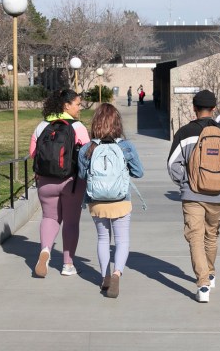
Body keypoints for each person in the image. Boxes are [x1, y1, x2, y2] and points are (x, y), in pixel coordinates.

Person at [167, 90, 220, 303]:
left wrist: (186, 182)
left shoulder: (185, 133)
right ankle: (209, 273)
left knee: (195, 237)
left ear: (194, 108)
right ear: (214, 109)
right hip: (217, 194)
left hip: (192, 194)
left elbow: (172, 164)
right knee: (212, 235)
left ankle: (203, 284)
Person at [77, 103, 144, 298]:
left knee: (103, 239)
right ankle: (117, 273)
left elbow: (82, 175)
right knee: (122, 239)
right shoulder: (126, 146)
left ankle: (105, 276)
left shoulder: (87, 148)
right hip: (121, 199)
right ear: (117, 124)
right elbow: (139, 172)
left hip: (96, 201)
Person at [29, 89, 90, 277]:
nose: (80, 108)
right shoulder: (78, 127)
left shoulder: (42, 125)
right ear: (67, 105)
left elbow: (33, 153)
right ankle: (68, 265)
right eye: (77, 104)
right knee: (71, 222)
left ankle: (45, 251)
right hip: (71, 182)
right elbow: (87, 155)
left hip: (45, 182)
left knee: (49, 217)